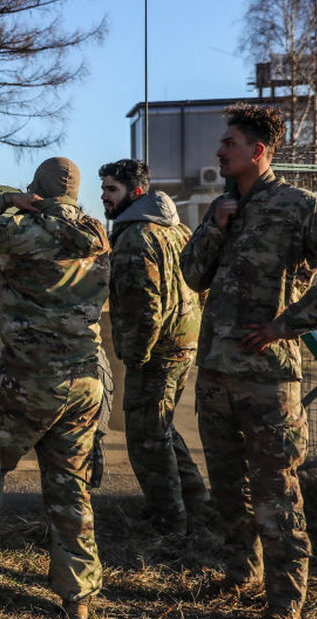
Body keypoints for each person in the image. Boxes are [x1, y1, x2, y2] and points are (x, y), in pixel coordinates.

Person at [180, 103, 317, 619]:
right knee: (227, 486)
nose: (219, 151)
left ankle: (285, 603)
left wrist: (287, 325)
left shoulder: (298, 206)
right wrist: (215, 227)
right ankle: (241, 574)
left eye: (228, 144)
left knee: (277, 493)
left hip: (268, 382)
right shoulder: (221, 206)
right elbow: (192, 276)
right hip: (216, 375)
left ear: (257, 151)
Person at [0, 157, 112, 619]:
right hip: (85, 380)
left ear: (36, 190)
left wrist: (5, 199)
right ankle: (78, 597)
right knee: (70, 486)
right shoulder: (99, 238)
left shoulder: (25, 233)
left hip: (28, 380)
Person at [98, 158, 211, 537]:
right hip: (183, 343)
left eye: (112, 189)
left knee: (145, 437)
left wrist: (136, 355)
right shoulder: (179, 231)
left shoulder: (135, 236)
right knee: (160, 429)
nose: (104, 196)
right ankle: (197, 504)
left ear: (137, 192)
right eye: (104, 189)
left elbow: (144, 304)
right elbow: (202, 284)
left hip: (156, 350)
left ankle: (169, 521)